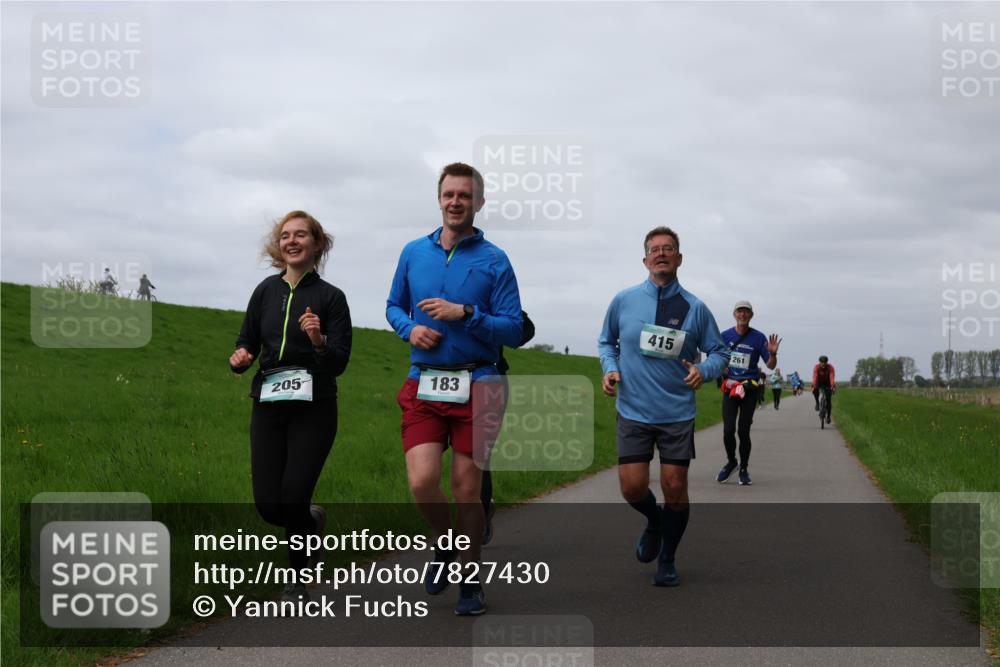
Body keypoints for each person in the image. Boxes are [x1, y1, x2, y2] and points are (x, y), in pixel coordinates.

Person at [386, 162, 523, 616]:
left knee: (466, 489)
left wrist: (465, 313)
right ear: (439, 198)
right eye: (449, 194)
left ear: (479, 202)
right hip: (424, 382)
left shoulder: (495, 260)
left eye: (465, 195)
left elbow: (513, 327)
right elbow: (393, 306)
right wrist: (410, 329)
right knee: (422, 481)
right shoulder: (413, 252)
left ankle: (470, 582)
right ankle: (446, 544)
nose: (456, 201)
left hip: (480, 382)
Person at [229, 210, 352, 603]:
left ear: (317, 244)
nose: (292, 241)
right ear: (278, 244)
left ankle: (296, 580)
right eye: (285, 235)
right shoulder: (265, 291)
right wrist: (242, 357)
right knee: (269, 505)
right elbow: (247, 339)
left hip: (314, 407)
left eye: (301, 235)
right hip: (269, 404)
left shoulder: (331, 298)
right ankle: (311, 523)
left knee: (294, 493)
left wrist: (318, 340)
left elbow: (339, 362)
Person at [598, 226, 728, 587]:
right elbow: (606, 342)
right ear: (645, 260)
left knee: (674, 487)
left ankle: (667, 558)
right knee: (632, 488)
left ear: (679, 258)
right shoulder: (623, 301)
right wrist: (609, 369)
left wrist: (704, 370)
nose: (661, 254)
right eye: (654, 249)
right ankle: (654, 521)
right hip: (633, 409)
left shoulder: (695, 308)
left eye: (668, 248)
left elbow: (720, 352)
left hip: (676, 413)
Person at [481, 310, 535, 546]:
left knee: (478, 455)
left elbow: (525, 329)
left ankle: (480, 514)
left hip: (488, 379)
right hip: (436, 380)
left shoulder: (492, 298)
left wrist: (493, 331)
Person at [717, 301, 781, 486]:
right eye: (740, 311)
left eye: (746, 312)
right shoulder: (725, 336)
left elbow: (770, 366)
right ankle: (732, 462)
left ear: (751, 315)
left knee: (743, 430)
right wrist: (722, 367)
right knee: (728, 430)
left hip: (749, 389)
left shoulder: (758, 338)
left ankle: (744, 469)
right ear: (734, 314)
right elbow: (717, 357)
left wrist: (773, 354)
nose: (743, 315)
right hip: (730, 388)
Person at [812, 355, 836, 423]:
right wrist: (814, 385)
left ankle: (828, 417)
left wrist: (832, 386)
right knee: (815, 390)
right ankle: (817, 403)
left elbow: (832, 377)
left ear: (827, 362)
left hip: (828, 383)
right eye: (821, 362)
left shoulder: (830, 367)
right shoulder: (817, 367)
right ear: (819, 362)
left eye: (824, 362)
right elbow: (815, 376)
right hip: (819, 382)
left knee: (828, 400)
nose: (823, 364)